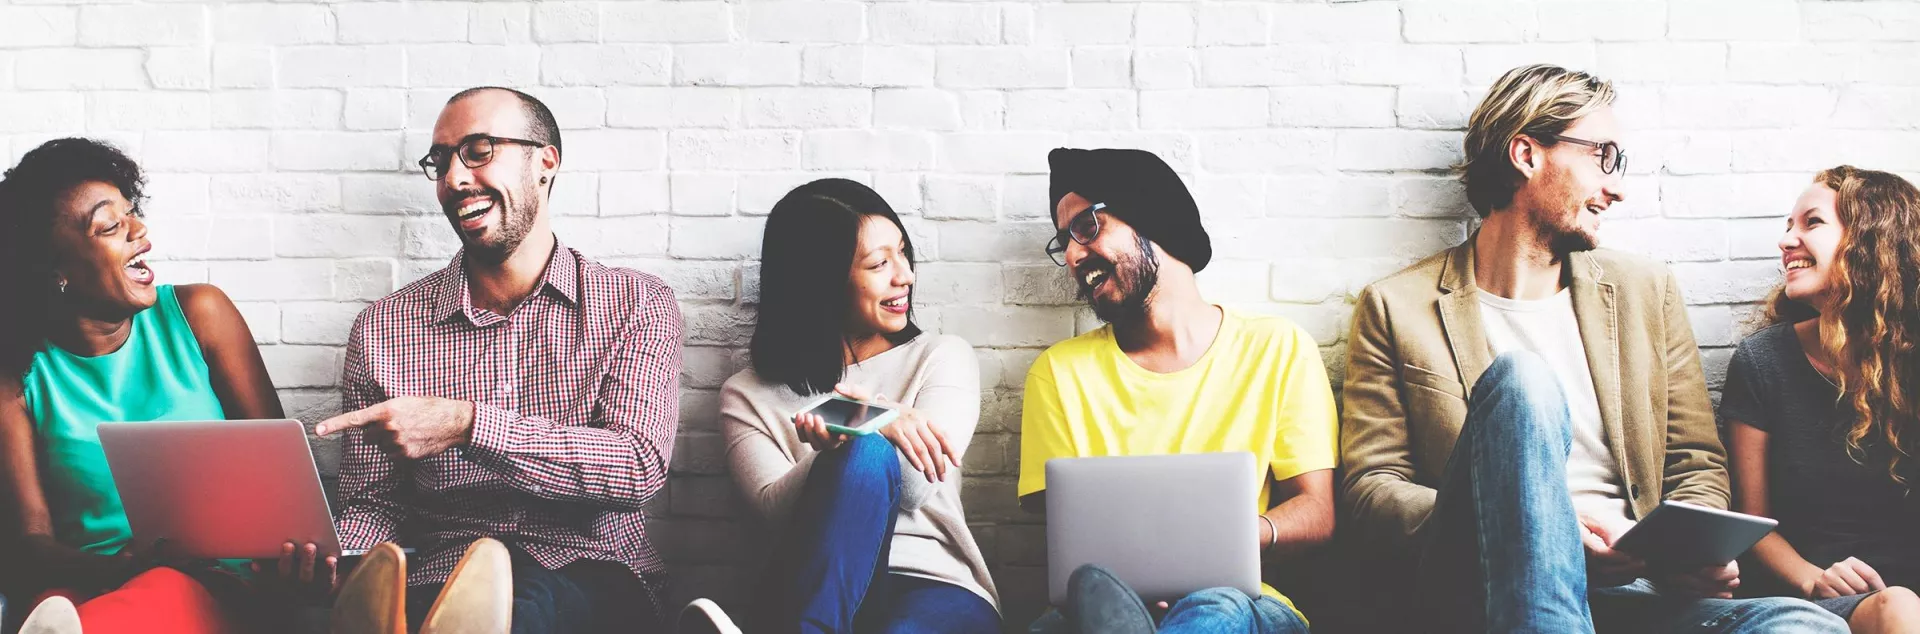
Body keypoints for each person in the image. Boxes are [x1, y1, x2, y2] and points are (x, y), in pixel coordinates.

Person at [1338, 63, 1846, 633]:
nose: (1617, 186)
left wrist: (1686, 552)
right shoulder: (1395, 307)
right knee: (1522, 383)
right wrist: (1540, 524)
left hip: (1643, 590)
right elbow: (1370, 492)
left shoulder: (1646, 292)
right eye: (1602, 155)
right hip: (1486, 591)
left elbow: (1695, 463)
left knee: (1806, 626)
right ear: (1527, 155)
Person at [313, 86, 685, 633]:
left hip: (591, 570)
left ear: (545, 163)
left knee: (526, 605)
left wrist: (468, 426)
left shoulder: (636, 303)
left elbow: (636, 465)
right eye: (440, 162)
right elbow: (376, 504)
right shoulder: (384, 329)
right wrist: (336, 556)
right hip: (438, 579)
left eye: (479, 150)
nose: (455, 179)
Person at [1018, 148, 1336, 634]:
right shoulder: (1058, 374)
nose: (1072, 256)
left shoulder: (1277, 348)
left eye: (1086, 227)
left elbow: (1317, 511)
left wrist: (1242, 537)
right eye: (1064, 241)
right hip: (1107, 609)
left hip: (1246, 603)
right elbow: (1070, 551)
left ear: (1152, 218)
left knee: (1213, 610)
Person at [0, 138, 292, 632]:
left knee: (160, 589)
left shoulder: (200, 315)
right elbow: (30, 544)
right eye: (111, 226)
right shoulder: (18, 376)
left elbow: (283, 482)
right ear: (57, 273)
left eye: (132, 213)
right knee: (51, 603)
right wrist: (118, 567)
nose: (141, 232)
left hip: (212, 579)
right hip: (87, 580)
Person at [689, 178, 1000, 634]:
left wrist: (868, 417)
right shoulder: (746, 394)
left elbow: (917, 487)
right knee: (865, 451)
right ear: (823, 281)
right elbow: (772, 513)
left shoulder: (941, 357)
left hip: (932, 587)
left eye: (902, 253)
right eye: (879, 263)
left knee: (867, 451)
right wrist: (844, 439)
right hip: (813, 582)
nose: (905, 275)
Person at [1723, 166, 1920, 632]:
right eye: (1788, 226)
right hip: (1817, 599)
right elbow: (1749, 524)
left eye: (1811, 223)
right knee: (1896, 608)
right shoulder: (1763, 361)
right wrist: (1813, 580)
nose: (1787, 240)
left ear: (1870, 241)